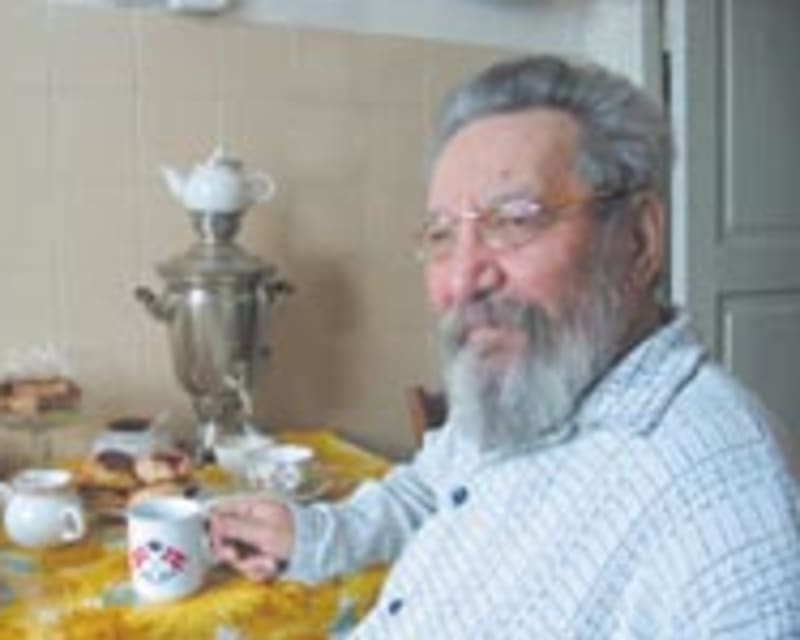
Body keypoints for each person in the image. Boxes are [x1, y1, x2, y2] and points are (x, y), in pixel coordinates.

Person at [209, 55, 800, 637]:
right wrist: (313, 536)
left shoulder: (726, 505)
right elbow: (432, 486)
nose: (461, 280)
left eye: (516, 220)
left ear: (639, 240)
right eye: (442, 233)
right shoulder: (532, 381)